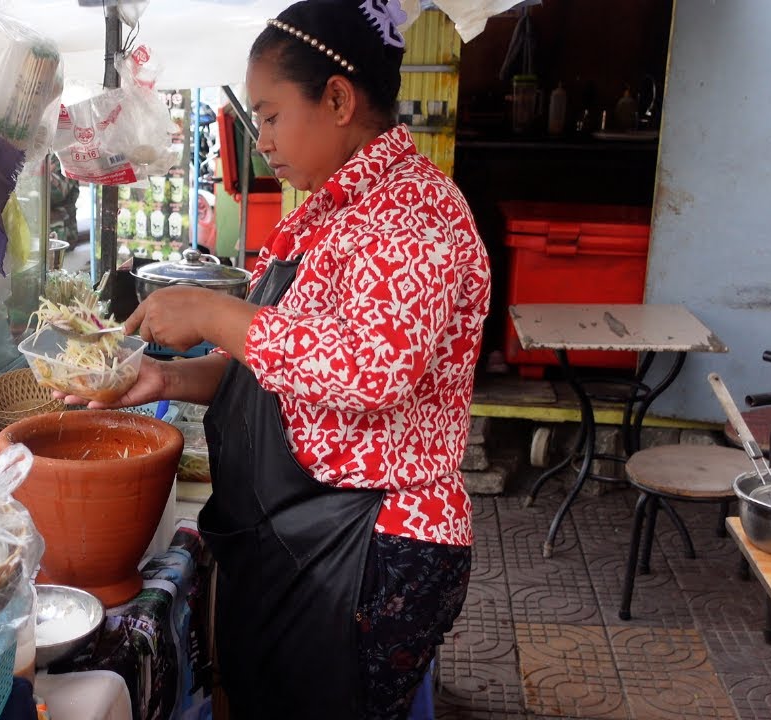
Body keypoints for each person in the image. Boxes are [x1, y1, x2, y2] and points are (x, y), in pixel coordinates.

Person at [59, 1, 490, 717]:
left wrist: (213, 312)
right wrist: (169, 376)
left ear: (340, 99)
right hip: (307, 532)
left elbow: (366, 369)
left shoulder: (413, 213)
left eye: (270, 114)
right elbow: (288, 369)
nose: (262, 141)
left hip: (373, 545)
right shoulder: (336, 211)